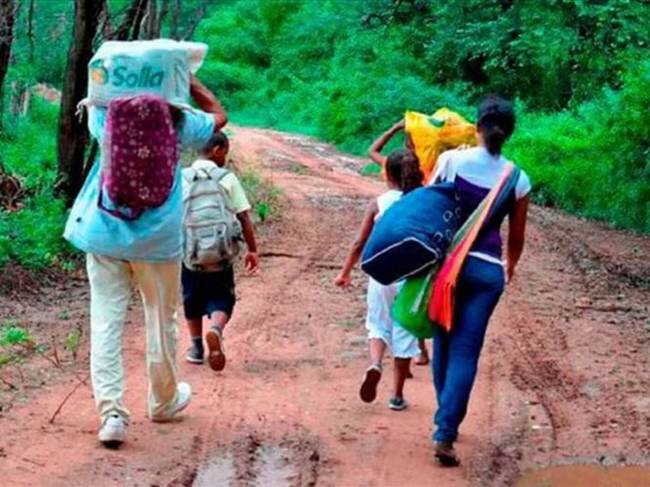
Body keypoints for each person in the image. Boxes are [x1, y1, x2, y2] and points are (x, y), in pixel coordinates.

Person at [63, 76, 226, 448]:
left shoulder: (107, 116)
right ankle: (163, 402)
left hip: (104, 233)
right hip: (158, 240)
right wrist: (190, 81)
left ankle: (112, 416)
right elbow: (220, 116)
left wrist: (111, 78)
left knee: (106, 321)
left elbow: (95, 89)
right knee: (161, 320)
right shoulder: (179, 123)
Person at [429, 95, 530, 466]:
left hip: (449, 268)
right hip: (487, 272)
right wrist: (510, 265)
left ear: (477, 126)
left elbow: (429, 205)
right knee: (466, 351)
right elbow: (516, 237)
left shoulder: (452, 161)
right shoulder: (518, 179)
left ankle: (446, 420)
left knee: (443, 342)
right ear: (509, 134)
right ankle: (445, 429)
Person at [334, 149, 423, 411]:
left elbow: (359, 242)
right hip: (413, 275)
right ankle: (397, 395)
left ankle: (375, 364)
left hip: (382, 273)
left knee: (378, 324)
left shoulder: (379, 203)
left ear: (387, 175)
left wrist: (345, 272)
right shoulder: (423, 201)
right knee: (405, 328)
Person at [182, 131, 259, 370]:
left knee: (191, 298)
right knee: (223, 297)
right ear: (216, 149)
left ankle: (196, 348)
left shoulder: (182, 178)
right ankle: (215, 329)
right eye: (225, 151)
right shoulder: (227, 178)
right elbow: (243, 216)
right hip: (221, 253)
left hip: (191, 254)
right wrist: (252, 250)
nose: (225, 157)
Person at [369, 121, 430, 367]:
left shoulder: (391, 165)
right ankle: (418, 352)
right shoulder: (425, 173)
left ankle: (401, 356)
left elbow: (372, 151)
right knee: (410, 296)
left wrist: (393, 128)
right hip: (414, 250)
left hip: (388, 249)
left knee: (385, 310)